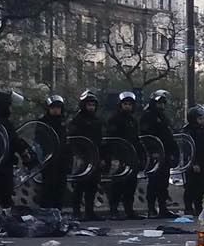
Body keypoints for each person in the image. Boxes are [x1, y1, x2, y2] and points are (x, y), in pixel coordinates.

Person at [104, 90, 141, 219]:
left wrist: (140, 156)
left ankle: (129, 210)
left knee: (131, 185)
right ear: (120, 105)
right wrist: (112, 157)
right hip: (119, 157)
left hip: (131, 156)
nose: (127, 106)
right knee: (117, 184)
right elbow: (111, 139)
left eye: (130, 104)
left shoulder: (133, 120)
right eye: (125, 104)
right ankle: (113, 210)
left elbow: (136, 139)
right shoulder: (114, 119)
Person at [67, 90, 103, 220]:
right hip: (82, 157)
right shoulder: (77, 120)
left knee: (92, 186)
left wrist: (102, 157)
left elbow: (100, 140)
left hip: (95, 156)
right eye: (89, 105)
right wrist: (78, 156)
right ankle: (76, 212)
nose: (91, 107)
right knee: (79, 185)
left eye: (93, 105)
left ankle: (90, 211)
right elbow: (73, 139)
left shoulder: (97, 121)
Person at [141, 90, 176, 218]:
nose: (161, 106)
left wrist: (172, 152)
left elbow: (168, 137)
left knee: (163, 183)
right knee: (153, 182)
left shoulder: (163, 117)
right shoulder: (148, 116)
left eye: (163, 103)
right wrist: (153, 152)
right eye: (159, 103)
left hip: (165, 154)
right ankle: (151, 209)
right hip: (154, 155)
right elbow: (146, 137)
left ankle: (163, 208)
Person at [35, 94, 69, 211]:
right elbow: (38, 141)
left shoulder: (63, 122)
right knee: (48, 186)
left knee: (60, 186)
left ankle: (58, 210)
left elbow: (66, 141)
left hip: (62, 159)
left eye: (58, 108)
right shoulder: (43, 122)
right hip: (48, 159)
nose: (55, 110)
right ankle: (46, 210)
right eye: (53, 107)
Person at [181, 105, 204, 217]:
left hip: (203, 161)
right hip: (193, 163)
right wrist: (193, 163)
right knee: (191, 186)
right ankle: (188, 207)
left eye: (203, 119)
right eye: (200, 119)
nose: (202, 121)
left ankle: (198, 206)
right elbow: (188, 149)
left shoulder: (202, 131)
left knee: (201, 186)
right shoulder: (188, 131)